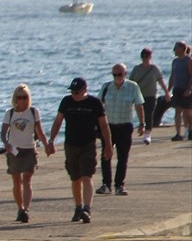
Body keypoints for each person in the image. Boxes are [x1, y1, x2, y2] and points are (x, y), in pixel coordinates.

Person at [47, 77, 112, 224]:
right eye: (72, 92)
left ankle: (87, 209)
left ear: (85, 90)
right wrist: (51, 140)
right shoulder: (66, 102)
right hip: (70, 145)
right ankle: (78, 208)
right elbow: (58, 121)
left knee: (86, 176)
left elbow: (104, 125)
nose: (74, 95)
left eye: (77, 92)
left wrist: (108, 145)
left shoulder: (94, 103)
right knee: (75, 178)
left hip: (88, 144)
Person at [0, 84, 47, 223]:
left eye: (25, 97)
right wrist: (6, 143)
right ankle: (19, 208)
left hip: (29, 150)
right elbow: (3, 133)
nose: (22, 100)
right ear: (15, 99)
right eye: (19, 97)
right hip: (14, 150)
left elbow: (40, 131)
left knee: (27, 178)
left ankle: (25, 209)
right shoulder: (10, 113)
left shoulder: (33, 112)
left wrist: (47, 145)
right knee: (16, 181)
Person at [96, 64, 145, 196]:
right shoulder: (106, 87)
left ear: (125, 74)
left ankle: (119, 185)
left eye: (120, 74)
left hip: (125, 126)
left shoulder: (132, 87)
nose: (117, 77)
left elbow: (139, 105)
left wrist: (142, 123)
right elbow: (98, 105)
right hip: (109, 126)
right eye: (114, 75)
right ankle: (106, 184)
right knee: (106, 155)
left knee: (123, 157)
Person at [128, 47, 168, 144]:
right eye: (143, 57)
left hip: (151, 95)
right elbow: (130, 82)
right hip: (138, 95)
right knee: (141, 115)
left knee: (149, 114)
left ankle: (147, 135)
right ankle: (142, 127)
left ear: (150, 57)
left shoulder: (154, 69)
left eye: (147, 57)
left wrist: (167, 92)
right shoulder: (137, 69)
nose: (145, 59)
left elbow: (161, 81)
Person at [171, 41, 192, 141]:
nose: (174, 50)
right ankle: (178, 134)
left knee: (187, 112)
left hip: (186, 89)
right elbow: (172, 76)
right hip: (177, 89)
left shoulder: (188, 60)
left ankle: (190, 129)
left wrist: (188, 89)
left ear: (181, 49)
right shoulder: (175, 61)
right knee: (177, 111)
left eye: (176, 48)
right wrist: (168, 90)